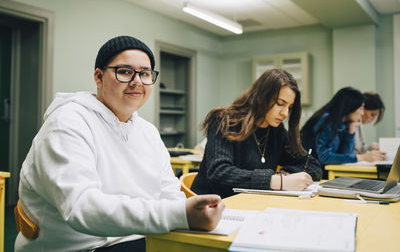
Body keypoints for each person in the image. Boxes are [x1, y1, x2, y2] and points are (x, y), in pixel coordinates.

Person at [15, 36, 224, 252]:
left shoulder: (148, 132)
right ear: (99, 77)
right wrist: (179, 214)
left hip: (141, 239)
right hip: (83, 248)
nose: (137, 81)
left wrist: (187, 212)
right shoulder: (67, 123)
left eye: (144, 73)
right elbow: (82, 208)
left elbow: (169, 192)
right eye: (124, 71)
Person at [191, 69, 322, 199]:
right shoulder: (224, 121)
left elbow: (312, 165)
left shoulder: (276, 130)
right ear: (262, 97)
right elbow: (219, 172)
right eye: (280, 104)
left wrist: (285, 175)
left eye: (289, 107)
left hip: (251, 203)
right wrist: (278, 181)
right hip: (212, 206)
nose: (285, 113)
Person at [301, 87, 386, 166]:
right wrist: (361, 158)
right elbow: (324, 157)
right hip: (310, 169)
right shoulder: (326, 119)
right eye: (360, 109)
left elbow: (345, 154)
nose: (362, 113)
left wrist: (351, 131)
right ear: (350, 108)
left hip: (326, 169)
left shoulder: (344, 124)